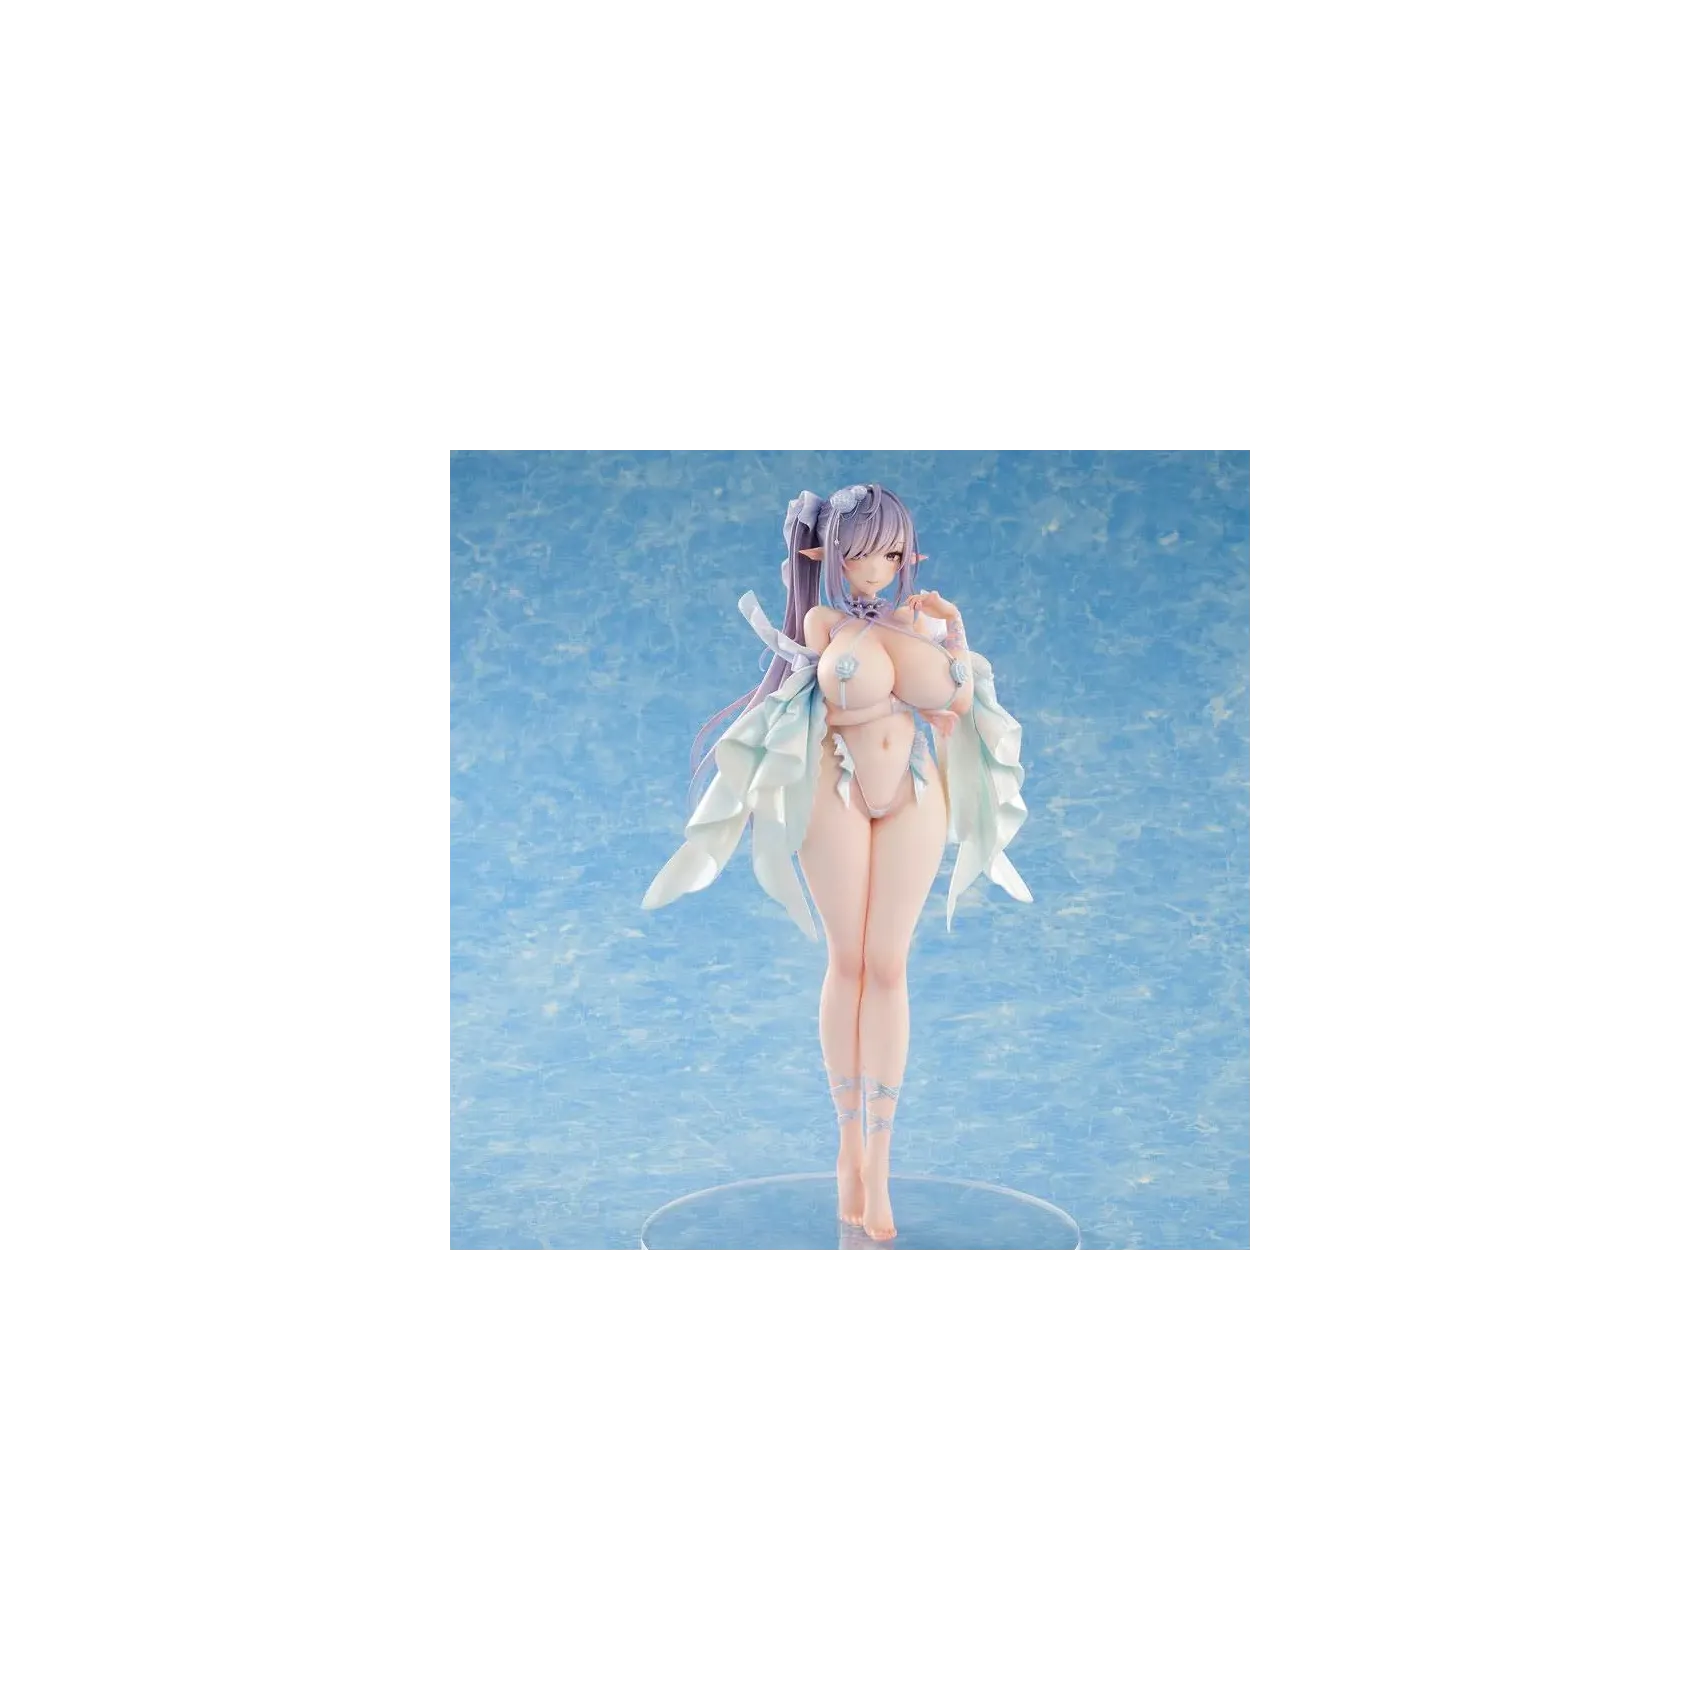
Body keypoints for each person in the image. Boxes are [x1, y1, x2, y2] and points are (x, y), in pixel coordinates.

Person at [642, 484, 1031, 1240]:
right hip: (835, 785)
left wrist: (956, 633)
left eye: (891, 552)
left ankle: (879, 1165)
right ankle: (846, 1147)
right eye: (859, 553)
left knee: (889, 966)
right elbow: (789, 699)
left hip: (916, 789)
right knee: (848, 961)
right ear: (829, 554)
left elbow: (960, 705)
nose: (877, 568)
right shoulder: (823, 625)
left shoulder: (922, 621)